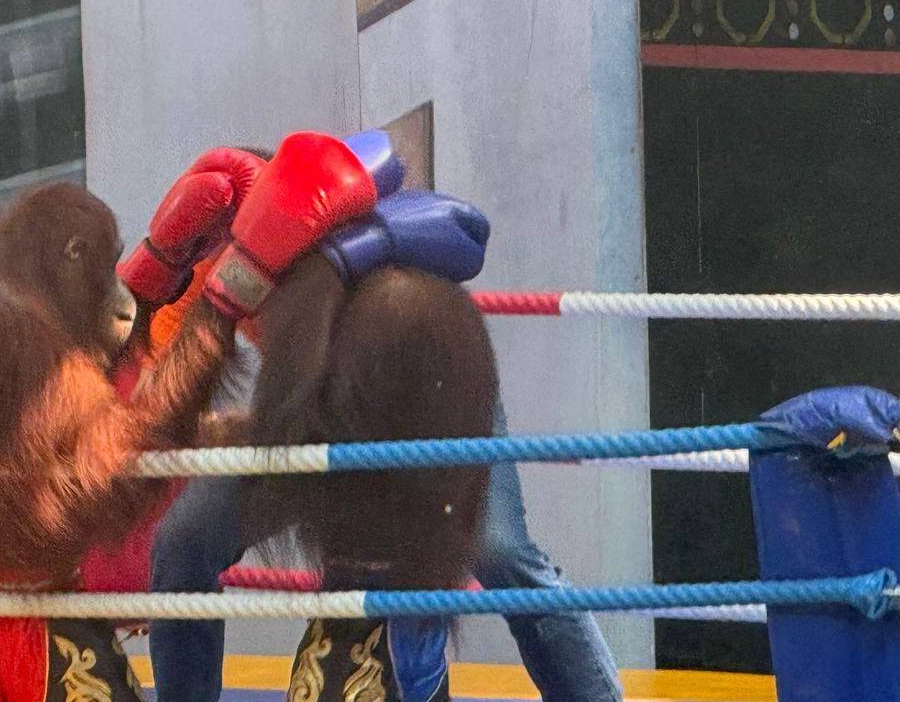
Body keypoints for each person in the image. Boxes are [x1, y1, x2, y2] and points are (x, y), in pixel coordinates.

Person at [146, 212, 625, 702]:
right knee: (185, 540)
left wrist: (238, 429)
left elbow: (461, 233)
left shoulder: (337, 236)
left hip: (437, 383)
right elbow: (164, 388)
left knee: (500, 551)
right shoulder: (212, 255)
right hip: (319, 415)